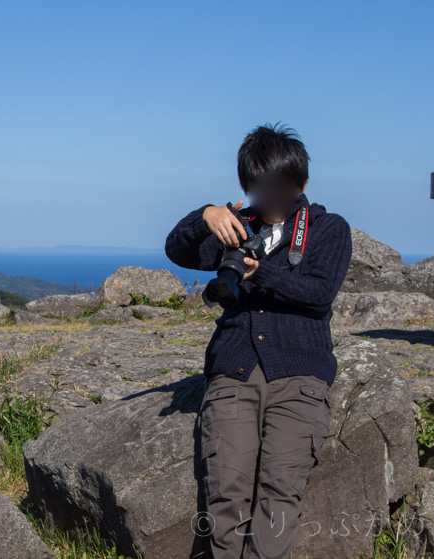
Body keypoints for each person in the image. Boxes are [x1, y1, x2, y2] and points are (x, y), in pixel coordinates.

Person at [164, 123, 352, 559]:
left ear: (300, 183)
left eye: (279, 187)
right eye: (259, 187)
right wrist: (206, 214)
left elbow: (319, 292)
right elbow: (177, 249)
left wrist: (259, 272)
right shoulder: (236, 227)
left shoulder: (328, 229)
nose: (269, 198)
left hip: (300, 376)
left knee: (279, 495)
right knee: (225, 495)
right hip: (235, 370)